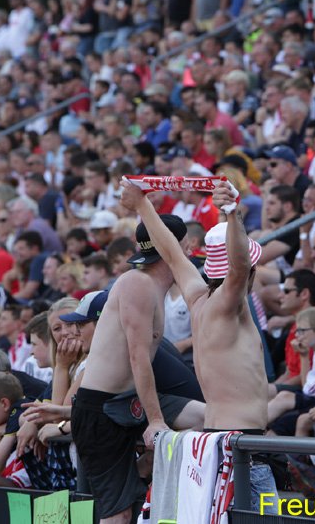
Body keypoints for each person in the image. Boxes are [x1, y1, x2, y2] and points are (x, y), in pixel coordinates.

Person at [120, 178, 277, 512]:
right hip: (242, 450)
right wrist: (232, 215)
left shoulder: (197, 297)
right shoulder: (228, 303)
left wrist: (141, 204)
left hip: (217, 444)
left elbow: (171, 253)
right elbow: (239, 267)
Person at [70, 212, 205, 523]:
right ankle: (144, 465)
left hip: (131, 403)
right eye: (186, 245)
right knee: (119, 516)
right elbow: (138, 358)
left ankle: (145, 465)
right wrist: (156, 420)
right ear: (172, 246)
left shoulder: (156, 287)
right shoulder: (137, 283)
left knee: (210, 418)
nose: (190, 252)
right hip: (102, 410)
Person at [267, 307, 315, 436]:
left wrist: (303, 357)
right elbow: (309, 388)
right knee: (283, 396)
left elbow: (310, 390)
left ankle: (247, 434)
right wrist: (304, 355)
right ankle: (245, 428)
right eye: (297, 331)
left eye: (302, 331)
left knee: (283, 423)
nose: (297, 336)